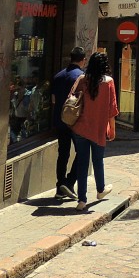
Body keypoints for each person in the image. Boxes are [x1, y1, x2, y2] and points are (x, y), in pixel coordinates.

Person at [70, 52, 118, 211]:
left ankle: (81, 200)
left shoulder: (83, 79)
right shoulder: (109, 82)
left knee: (82, 163)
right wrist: (112, 129)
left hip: (81, 127)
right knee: (98, 160)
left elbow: (72, 98)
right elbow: (112, 110)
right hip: (99, 128)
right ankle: (100, 189)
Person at [51, 46, 86, 199]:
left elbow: (53, 100)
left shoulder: (58, 76)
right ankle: (69, 182)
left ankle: (60, 187)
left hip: (59, 120)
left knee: (63, 153)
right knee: (83, 152)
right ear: (83, 60)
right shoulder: (81, 77)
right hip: (75, 122)